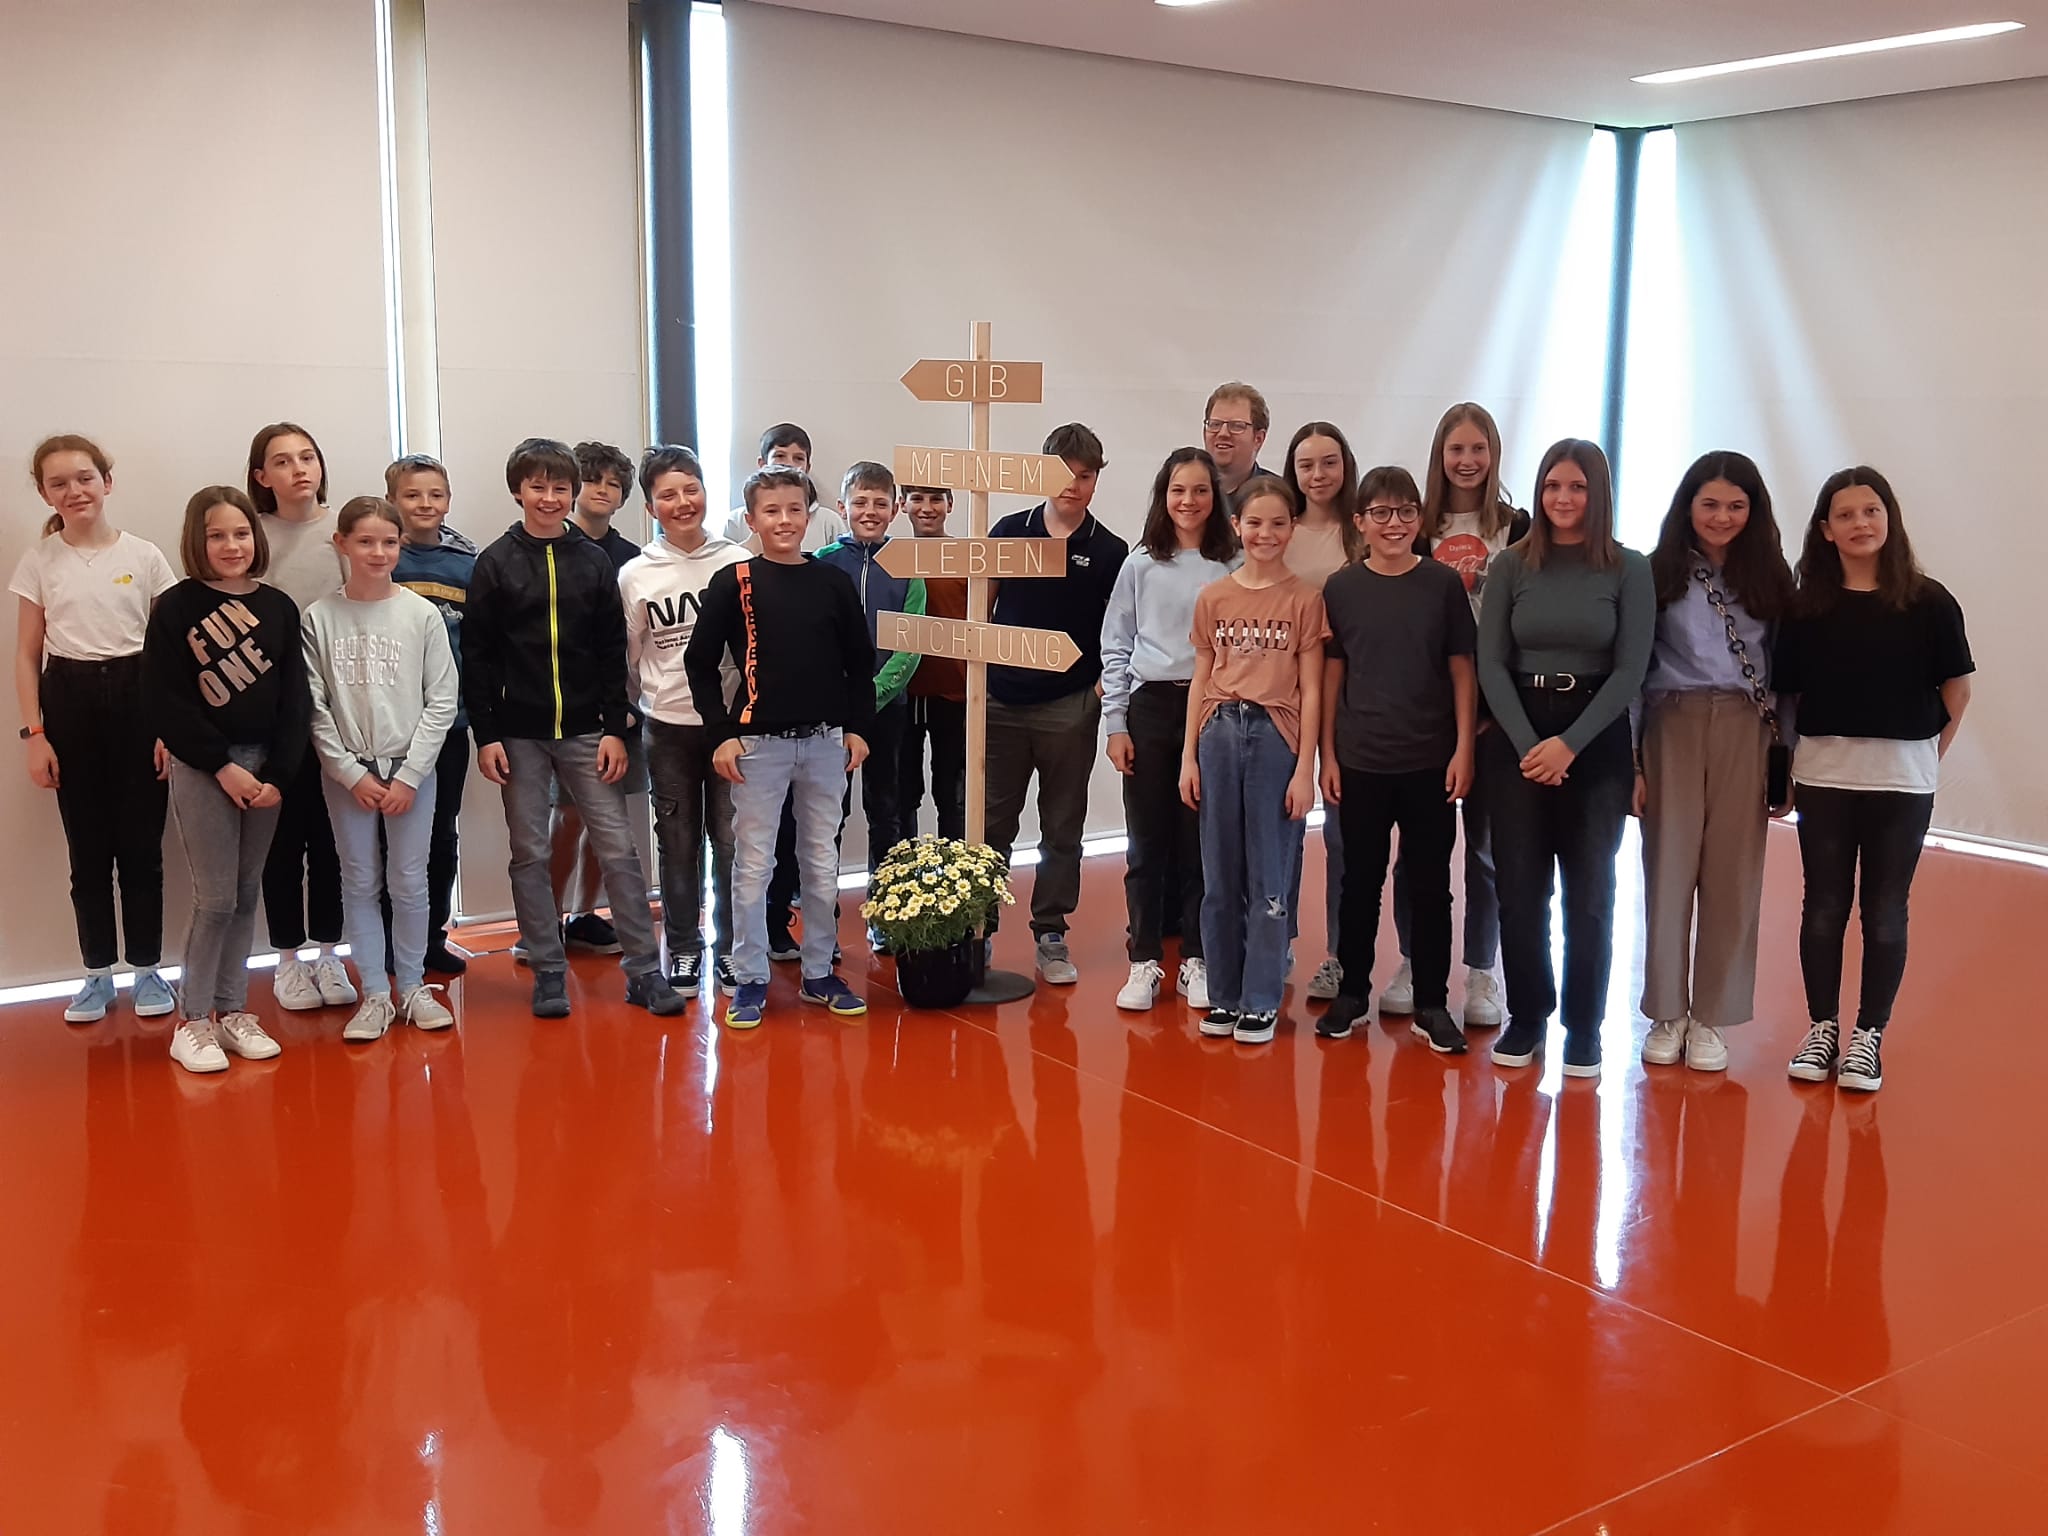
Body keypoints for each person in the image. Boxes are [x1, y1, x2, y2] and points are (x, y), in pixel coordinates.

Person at [462, 437, 684, 1019]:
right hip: (519, 735)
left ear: (572, 493)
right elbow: (478, 657)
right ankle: (547, 969)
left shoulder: (592, 560)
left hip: (589, 731)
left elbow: (613, 651)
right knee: (529, 852)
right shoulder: (495, 563)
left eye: (559, 487)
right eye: (537, 486)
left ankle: (644, 971)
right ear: (518, 491)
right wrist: (487, 735)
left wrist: (614, 727)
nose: (549, 497)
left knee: (618, 849)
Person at [1774, 467, 1973, 1095]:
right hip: (1824, 776)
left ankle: (1868, 1037)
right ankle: (1822, 1028)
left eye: (1871, 511)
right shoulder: (1805, 607)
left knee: (1885, 909)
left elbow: (1958, 688)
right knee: (1824, 905)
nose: (1860, 523)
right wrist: (1785, 773)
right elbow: (1788, 696)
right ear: (1826, 531)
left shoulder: (1930, 602)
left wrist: (1927, 758)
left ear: (1889, 518)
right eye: (1845, 514)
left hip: (1902, 784)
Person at [1478, 439, 1653, 1077]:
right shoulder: (1511, 565)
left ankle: (1584, 1026)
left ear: (1598, 494)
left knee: (1590, 892)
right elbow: (1491, 662)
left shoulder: (1629, 568)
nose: (1563, 498)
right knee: (1520, 888)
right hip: (1520, 733)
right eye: (1553, 485)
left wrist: (1570, 744)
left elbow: (1630, 669)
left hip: (1594, 737)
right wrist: (1531, 746)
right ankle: (1527, 1016)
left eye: (1577, 486)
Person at [685, 464, 873, 1029]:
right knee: (752, 864)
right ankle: (749, 976)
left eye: (794, 509)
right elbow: (699, 663)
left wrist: (858, 728)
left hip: (825, 744)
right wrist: (721, 734)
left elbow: (859, 663)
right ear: (752, 520)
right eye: (771, 511)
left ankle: (819, 971)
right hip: (757, 746)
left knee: (820, 861)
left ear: (808, 516)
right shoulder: (734, 581)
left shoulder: (832, 581)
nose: (784, 520)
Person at [1635, 452, 1795, 1074]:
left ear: (1754, 510)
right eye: (1710, 504)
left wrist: (1786, 758)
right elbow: (1634, 671)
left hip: (1745, 726)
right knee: (1667, 869)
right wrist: (1632, 761)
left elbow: (1789, 678)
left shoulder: (1772, 579)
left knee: (1734, 874)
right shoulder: (1655, 574)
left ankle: (1712, 1015)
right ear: (1688, 506)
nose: (1722, 517)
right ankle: (1666, 1011)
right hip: (1670, 721)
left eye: (1736, 505)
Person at [13, 435, 178, 1024]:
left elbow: (168, 654)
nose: (74, 491)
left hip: (139, 701)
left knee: (142, 851)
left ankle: (149, 969)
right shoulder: (39, 562)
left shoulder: (145, 555)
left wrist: (167, 728)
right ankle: (96, 974)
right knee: (87, 853)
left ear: (107, 482)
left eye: (85, 478)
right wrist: (35, 735)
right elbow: (27, 654)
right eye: (58, 483)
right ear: (44, 494)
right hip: (70, 703)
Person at [144, 487, 309, 1073]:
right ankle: (192, 1022)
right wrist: (221, 765)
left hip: (265, 771)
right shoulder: (175, 608)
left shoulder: (279, 607)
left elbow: (296, 700)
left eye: (240, 533)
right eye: (217, 535)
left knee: (244, 894)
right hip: (204, 768)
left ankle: (232, 1010)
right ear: (198, 540)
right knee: (214, 899)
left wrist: (279, 774)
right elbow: (166, 702)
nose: (231, 545)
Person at [1316, 466, 1477, 1051]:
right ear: (1359, 522)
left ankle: (1432, 1003)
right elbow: (1333, 674)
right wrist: (1327, 754)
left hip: (1430, 760)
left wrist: (1464, 748)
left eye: (1405, 512)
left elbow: (1462, 669)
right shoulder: (1341, 588)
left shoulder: (1442, 584)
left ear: (1419, 519)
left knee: (1431, 886)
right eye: (1380, 513)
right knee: (1359, 880)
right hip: (1361, 760)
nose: (1394, 523)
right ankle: (1352, 993)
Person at [1386, 403, 1529, 1025]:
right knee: (1417, 851)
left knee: (1488, 850)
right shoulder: (1416, 527)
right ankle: (1414, 961)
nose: (1467, 461)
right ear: (1439, 456)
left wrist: (1500, 709)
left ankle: (1481, 973)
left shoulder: (1519, 527)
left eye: (1478, 449)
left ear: (1493, 453)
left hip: (1498, 710)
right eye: (1456, 449)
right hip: (1426, 710)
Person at [302, 496, 459, 1041]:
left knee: (410, 882)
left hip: (411, 771)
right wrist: (350, 773)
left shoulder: (421, 614)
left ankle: (412, 986)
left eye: (389, 542)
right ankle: (373, 992)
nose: (378, 552)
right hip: (349, 776)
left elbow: (442, 699)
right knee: (360, 880)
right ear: (341, 543)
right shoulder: (320, 618)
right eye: (365, 541)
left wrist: (410, 776)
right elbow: (314, 706)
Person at [1181, 476, 1326, 1045]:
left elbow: (1312, 689)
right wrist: (1189, 757)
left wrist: (1305, 767)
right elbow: (1201, 677)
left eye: (1278, 523)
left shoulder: (1304, 599)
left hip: (1275, 737)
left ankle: (1261, 999)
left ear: (1292, 529)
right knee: (1218, 875)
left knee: (1269, 875)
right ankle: (1223, 994)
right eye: (1255, 522)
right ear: (1236, 526)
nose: (1266, 533)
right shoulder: (1214, 597)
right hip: (1218, 733)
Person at [984, 424, 1129, 984]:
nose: (1073, 485)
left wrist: (1096, 692)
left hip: (1070, 706)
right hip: (1001, 703)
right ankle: (980, 927)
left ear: (1096, 479)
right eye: (1063, 473)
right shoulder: (1007, 531)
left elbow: (1119, 630)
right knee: (992, 823)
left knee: (1062, 826)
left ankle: (1050, 931)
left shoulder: (1110, 549)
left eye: (1085, 475)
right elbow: (981, 610)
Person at [1101, 447, 1237, 1013]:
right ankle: (1144, 959)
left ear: (1215, 497)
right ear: (1164, 496)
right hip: (1151, 707)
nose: (1189, 501)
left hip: (1213, 708)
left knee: (1200, 840)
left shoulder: (1232, 564)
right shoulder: (1140, 564)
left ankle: (1197, 959)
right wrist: (1116, 723)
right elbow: (1116, 645)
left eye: (1201, 490)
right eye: (1178, 490)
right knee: (1146, 840)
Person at [622, 445, 749, 997]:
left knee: (732, 842)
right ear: (651, 507)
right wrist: (651, 700)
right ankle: (683, 948)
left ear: (705, 492)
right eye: (667, 495)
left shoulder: (738, 561)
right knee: (677, 844)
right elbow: (630, 658)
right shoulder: (635, 574)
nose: (682, 503)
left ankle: (731, 949)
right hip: (667, 727)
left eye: (690, 489)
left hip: (731, 728)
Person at [516, 439, 647, 960]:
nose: (603, 491)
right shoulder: (541, 546)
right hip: (562, 714)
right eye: (593, 480)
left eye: (614, 484)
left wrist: (624, 709)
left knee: (610, 820)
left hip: (621, 709)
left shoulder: (632, 559)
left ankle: (585, 914)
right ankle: (543, 923)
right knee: (567, 817)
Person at [246, 422, 354, 1012]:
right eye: (283, 461)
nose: (298, 470)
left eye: (307, 457)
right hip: (272, 717)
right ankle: (287, 960)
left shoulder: (343, 533)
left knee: (333, 842)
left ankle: (330, 954)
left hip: (339, 714)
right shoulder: (250, 536)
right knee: (282, 844)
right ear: (262, 476)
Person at [816, 462, 925, 934]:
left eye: (880, 503)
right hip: (831, 713)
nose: (870, 511)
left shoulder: (908, 567)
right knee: (829, 817)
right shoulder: (822, 562)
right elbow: (811, 635)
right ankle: (824, 919)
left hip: (887, 711)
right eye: (860, 502)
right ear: (842, 507)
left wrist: (874, 695)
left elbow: (912, 644)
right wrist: (841, 698)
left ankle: (885, 914)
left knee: (886, 811)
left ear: (895, 509)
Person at [1279, 421, 1361, 1001]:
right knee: (1280, 824)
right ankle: (1276, 939)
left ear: (1345, 465)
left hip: (1352, 695)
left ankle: (1339, 955)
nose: (1318, 474)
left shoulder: (1361, 531)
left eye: (1329, 462)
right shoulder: (1279, 528)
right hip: (1281, 695)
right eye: (1306, 464)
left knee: (1340, 833)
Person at [389, 453, 478, 974]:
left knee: (441, 834)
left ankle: (431, 937)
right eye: (412, 494)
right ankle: (389, 942)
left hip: (450, 726)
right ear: (392, 500)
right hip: (389, 728)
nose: (425, 504)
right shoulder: (382, 558)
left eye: (435, 494)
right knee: (390, 839)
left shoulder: (466, 564)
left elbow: (480, 647)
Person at [896, 485, 966, 839]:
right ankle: (903, 868)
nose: (927, 507)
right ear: (902, 505)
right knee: (901, 793)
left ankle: (955, 869)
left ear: (950, 504)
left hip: (956, 693)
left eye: (936, 499)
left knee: (953, 795)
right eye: (917, 499)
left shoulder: (969, 557)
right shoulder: (891, 557)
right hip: (902, 694)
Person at [719, 423, 849, 553]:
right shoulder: (736, 521)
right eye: (780, 456)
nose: (789, 464)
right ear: (762, 464)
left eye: (798, 458)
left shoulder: (829, 521)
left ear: (807, 467)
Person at [1201, 382, 1272, 510]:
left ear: (1258, 439)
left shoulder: (1278, 496)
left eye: (1236, 426)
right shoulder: (1186, 495)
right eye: (1215, 424)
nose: (1223, 433)